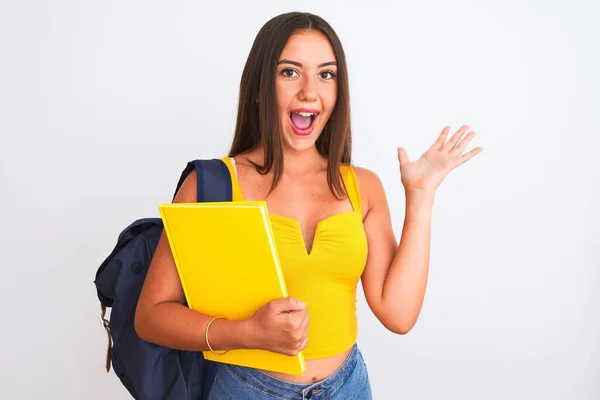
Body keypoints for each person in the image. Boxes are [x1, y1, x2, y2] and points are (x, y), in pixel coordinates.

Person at [134, 11, 483, 400]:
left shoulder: (361, 187)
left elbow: (398, 315)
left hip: (348, 386)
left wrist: (420, 195)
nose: (309, 91)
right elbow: (151, 317)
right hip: (248, 389)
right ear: (259, 87)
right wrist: (246, 333)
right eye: (289, 72)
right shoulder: (213, 185)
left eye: (326, 74)